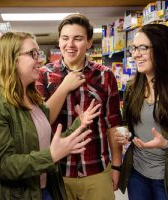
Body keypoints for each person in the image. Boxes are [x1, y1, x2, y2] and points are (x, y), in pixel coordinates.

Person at [0, 31, 101, 200]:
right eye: (32, 54)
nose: (40, 60)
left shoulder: (32, 98)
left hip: (45, 189)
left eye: (38, 53)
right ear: (11, 59)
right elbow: (2, 165)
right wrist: (51, 156)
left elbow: (45, 145)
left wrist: (79, 124)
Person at [36, 13, 123, 200]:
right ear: (59, 41)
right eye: (65, 38)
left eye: (78, 38)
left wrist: (116, 165)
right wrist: (65, 87)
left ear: (89, 42)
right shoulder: (42, 75)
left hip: (96, 170)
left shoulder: (105, 76)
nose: (70, 44)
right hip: (57, 171)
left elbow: (112, 123)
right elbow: (41, 121)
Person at [115, 24, 168, 200]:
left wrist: (166, 144)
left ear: (162, 49)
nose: (135, 54)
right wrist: (124, 134)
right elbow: (126, 123)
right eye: (134, 48)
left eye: (143, 48)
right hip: (137, 175)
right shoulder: (132, 88)